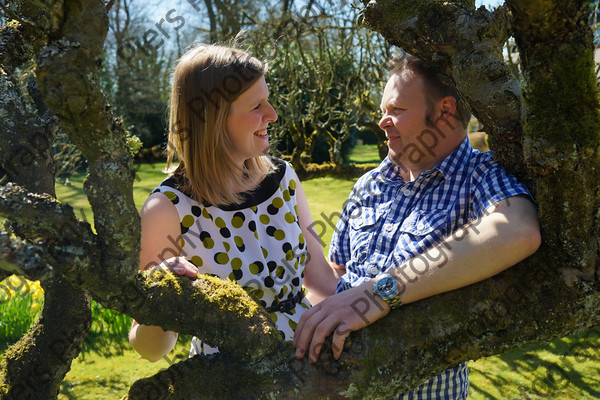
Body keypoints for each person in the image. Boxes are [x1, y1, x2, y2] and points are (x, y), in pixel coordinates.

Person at [293, 54, 541, 398]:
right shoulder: (369, 184)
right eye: (383, 110)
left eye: (396, 109)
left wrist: (380, 294)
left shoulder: (479, 175)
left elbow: (518, 231)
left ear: (444, 111)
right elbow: (335, 274)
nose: (382, 121)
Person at [129, 44, 340, 362]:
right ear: (213, 119)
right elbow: (150, 350)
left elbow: (320, 277)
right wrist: (161, 289)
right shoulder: (166, 209)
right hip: (229, 380)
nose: (272, 115)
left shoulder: (283, 178)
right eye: (257, 106)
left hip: (305, 367)